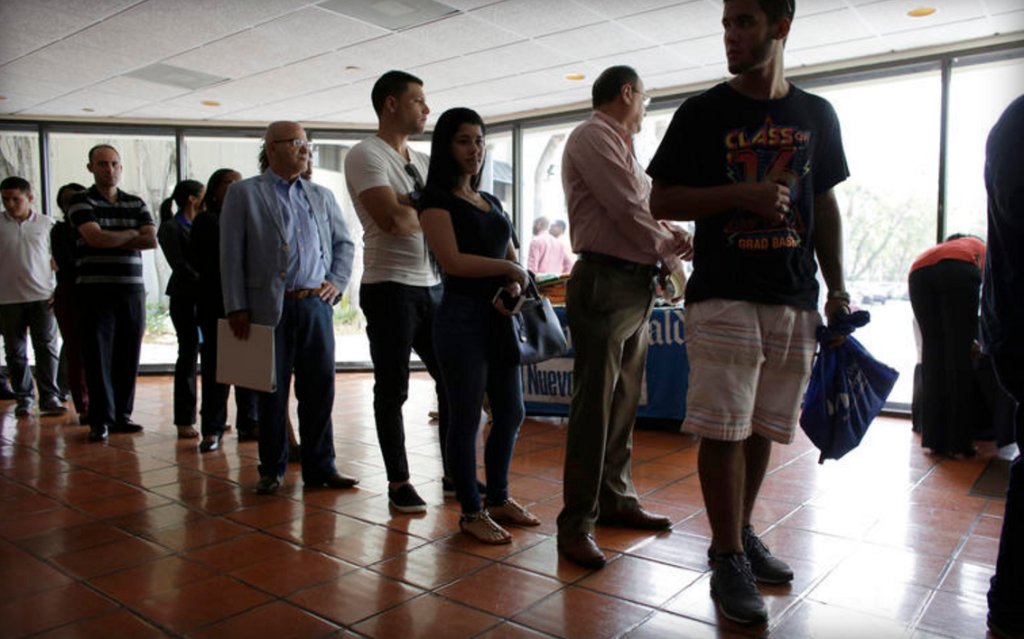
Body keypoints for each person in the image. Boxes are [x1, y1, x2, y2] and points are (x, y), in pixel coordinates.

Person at [647, 0, 850, 625]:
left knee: (763, 427)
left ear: (780, 27)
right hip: (724, 292)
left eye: (744, 23)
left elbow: (824, 204)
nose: (730, 35)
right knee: (723, 429)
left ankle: (740, 531)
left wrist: (837, 288)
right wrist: (742, 194)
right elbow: (662, 199)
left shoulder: (817, 114)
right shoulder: (703, 112)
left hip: (793, 295)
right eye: (726, 23)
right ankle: (727, 554)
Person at [555, 66, 692, 569]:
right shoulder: (592, 136)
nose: (645, 107)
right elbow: (628, 207)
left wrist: (673, 236)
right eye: (645, 98)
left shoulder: (622, 146)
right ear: (627, 92)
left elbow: (645, 207)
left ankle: (615, 497)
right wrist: (673, 254)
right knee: (595, 405)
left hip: (633, 283)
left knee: (623, 401)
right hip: (606, 281)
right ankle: (576, 524)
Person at [420, 107, 541, 544]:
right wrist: (508, 270)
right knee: (466, 416)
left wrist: (515, 279)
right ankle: (471, 511)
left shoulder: (491, 201)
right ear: (446, 147)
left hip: (499, 317)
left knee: (511, 411)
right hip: (460, 317)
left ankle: (499, 498)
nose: (475, 149)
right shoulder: (435, 200)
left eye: (479, 140)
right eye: (464, 141)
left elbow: (512, 255)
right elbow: (452, 261)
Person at [221, 120, 356, 495]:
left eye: (306, 143)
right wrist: (236, 306)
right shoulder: (244, 193)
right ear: (272, 148)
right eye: (296, 142)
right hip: (266, 309)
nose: (305, 149)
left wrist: (336, 281)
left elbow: (344, 244)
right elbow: (230, 254)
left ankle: (321, 467)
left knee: (320, 391)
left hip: (315, 306)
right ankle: (272, 469)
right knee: (271, 392)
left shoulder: (321, 195)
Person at [344, 70, 451, 513]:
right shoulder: (365, 154)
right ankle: (399, 482)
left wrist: (414, 205)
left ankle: (456, 475)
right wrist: (419, 208)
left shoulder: (423, 161)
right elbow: (392, 220)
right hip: (389, 288)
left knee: (452, 381)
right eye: (418, 100)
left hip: (433, 286)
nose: (427, 108)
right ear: (391, 104)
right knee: (394, 388)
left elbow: (445, 217)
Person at [68, 144, 157, 441]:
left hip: (131, 290)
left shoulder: (136, 202)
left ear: (121, 167)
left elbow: (150, 241)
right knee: (97, 355)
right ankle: (100, 420)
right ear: (90, 168)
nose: (110, 169)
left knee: (128, 355)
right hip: (95, 290)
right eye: (102, 164)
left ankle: (122, 415)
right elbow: (94, 237)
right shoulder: (81, 201)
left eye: (114, 164)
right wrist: (131, 234)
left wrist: (113, 237)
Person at [983, 94, 1024, 639]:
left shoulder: (1013, 120)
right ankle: (1012, 610)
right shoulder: (1019, 123)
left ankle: (1011, 609)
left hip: (1007, 319)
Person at [190, 168, 261, 452]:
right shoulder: (207, 220)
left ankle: (249, 422)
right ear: (215, 190)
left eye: (239, 183)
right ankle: (212, 428)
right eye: (229, 183)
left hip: (246, 301)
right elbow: (207, 260)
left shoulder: (249, 219)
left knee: (246, 365)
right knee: (216, 367)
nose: (235, 188)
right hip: (214, 302)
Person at [908, 233, 986, 457]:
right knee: (959, 358)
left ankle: (934, 439)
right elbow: (991, 297)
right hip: (959, 271)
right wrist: (975, 339)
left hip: (918, 271)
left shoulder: (942, 249)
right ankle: (959, 443)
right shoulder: (982, 248)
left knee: (933, 355)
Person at [0, 176, 64, 418]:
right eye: (5, 199)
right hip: (7, 298)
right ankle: (24, 398)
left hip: (42, 296)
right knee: (15, 352)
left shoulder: (47, 224)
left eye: (15, 199)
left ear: (30, 198)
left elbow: (60, 260)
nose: (10, 204)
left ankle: (49, 397)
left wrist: (58, 290)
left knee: (46, 348)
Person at [158, 180, 205, 440]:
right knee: (188, 354)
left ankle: (211, 416)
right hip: (185, 297)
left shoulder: (202, 223)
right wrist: (206, 282)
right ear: (191, 199)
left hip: (205, 297)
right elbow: (179, 264)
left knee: (211, 357)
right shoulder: (171, 227)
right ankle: (184, 419)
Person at [51, 182, 89, 424]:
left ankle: (107, 404)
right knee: (75, 351)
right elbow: (66, 264)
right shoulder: (60, 231)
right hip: (71, 295)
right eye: (68, 201)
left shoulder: (96, 225)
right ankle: (84, 406)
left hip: (99, 294)